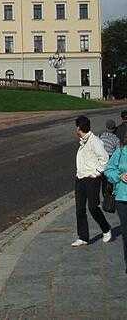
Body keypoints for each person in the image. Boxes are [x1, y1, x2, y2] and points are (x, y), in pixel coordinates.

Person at [72, 115, 112, 247]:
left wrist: (97, 173)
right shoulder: (83, 141)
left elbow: (105, 158)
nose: (75, 129)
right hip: (80, 178)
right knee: (80, 209)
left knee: (93, 207)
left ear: (79, 128)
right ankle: (83, 237)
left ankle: (106, 228)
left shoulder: (94, 141)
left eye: (76, 127)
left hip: (91, 179)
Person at [104, 136, 127, 273]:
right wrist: (120, 176)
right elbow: (108, 170)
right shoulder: (120, 152)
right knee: (126, 233)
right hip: (123, 198)